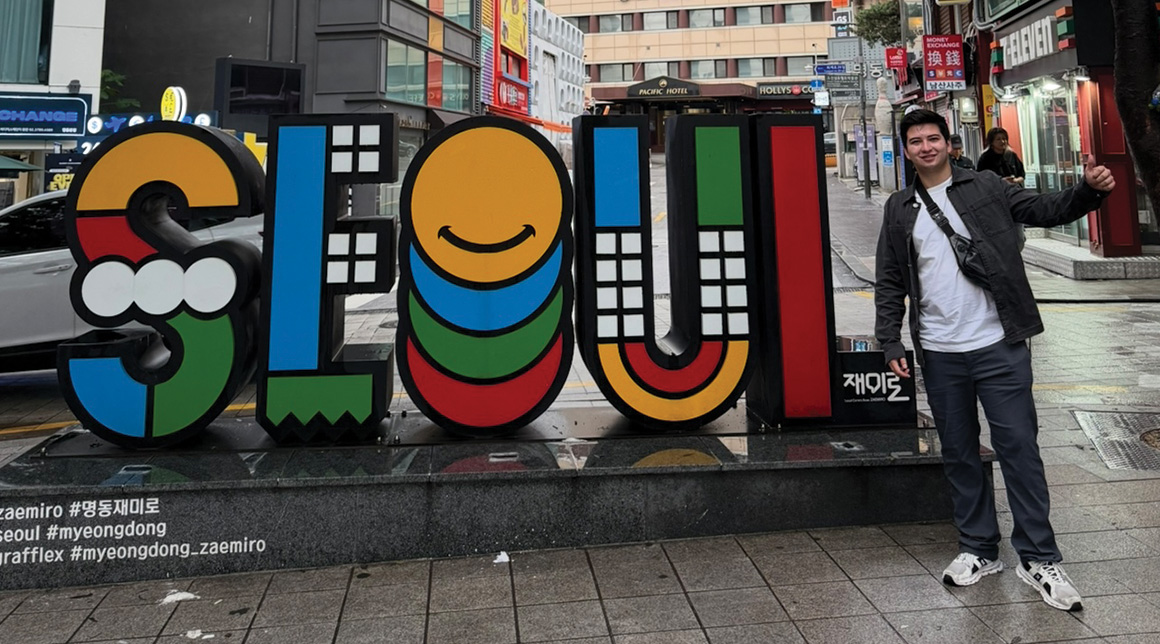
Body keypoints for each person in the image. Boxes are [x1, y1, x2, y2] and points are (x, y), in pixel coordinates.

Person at [874, 109, 1115, 612]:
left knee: (1020, 449)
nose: (925, 147)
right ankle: (980, 549)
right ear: (906, 149)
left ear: (949, 143)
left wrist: (1089, 190)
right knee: (960, 452)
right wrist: (890, 342)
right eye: (915, 140)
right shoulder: (899, 208)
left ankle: (1039, 557)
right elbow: (892, 280)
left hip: (998, 344)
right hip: (939, 351)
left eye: (933, 138)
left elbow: (1046, 208)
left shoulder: (986, 186)